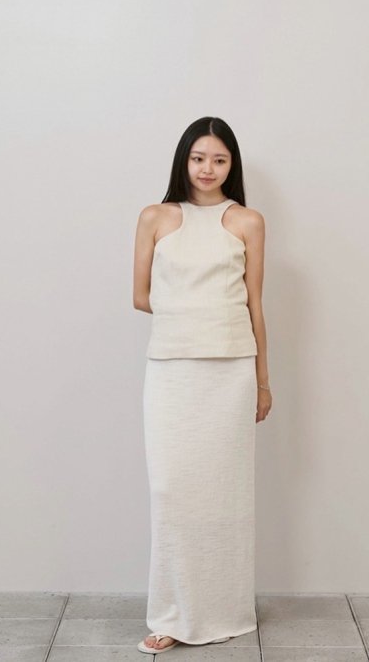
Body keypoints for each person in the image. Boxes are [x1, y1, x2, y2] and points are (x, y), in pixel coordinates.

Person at [132, 116, 272, 654]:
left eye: (219, 159)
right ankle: (172, 614)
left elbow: (254, 304)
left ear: (232, 164)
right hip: (171, 368)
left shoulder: (247, 222)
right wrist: (194, 317)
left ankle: (225, 611)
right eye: (198, 158)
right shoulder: (156, 217)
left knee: (224, 494)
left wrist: (263, 382)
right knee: (171, 490)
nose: (207, 168)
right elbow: (141, 295)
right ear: (183, 160)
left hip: (231, 370)